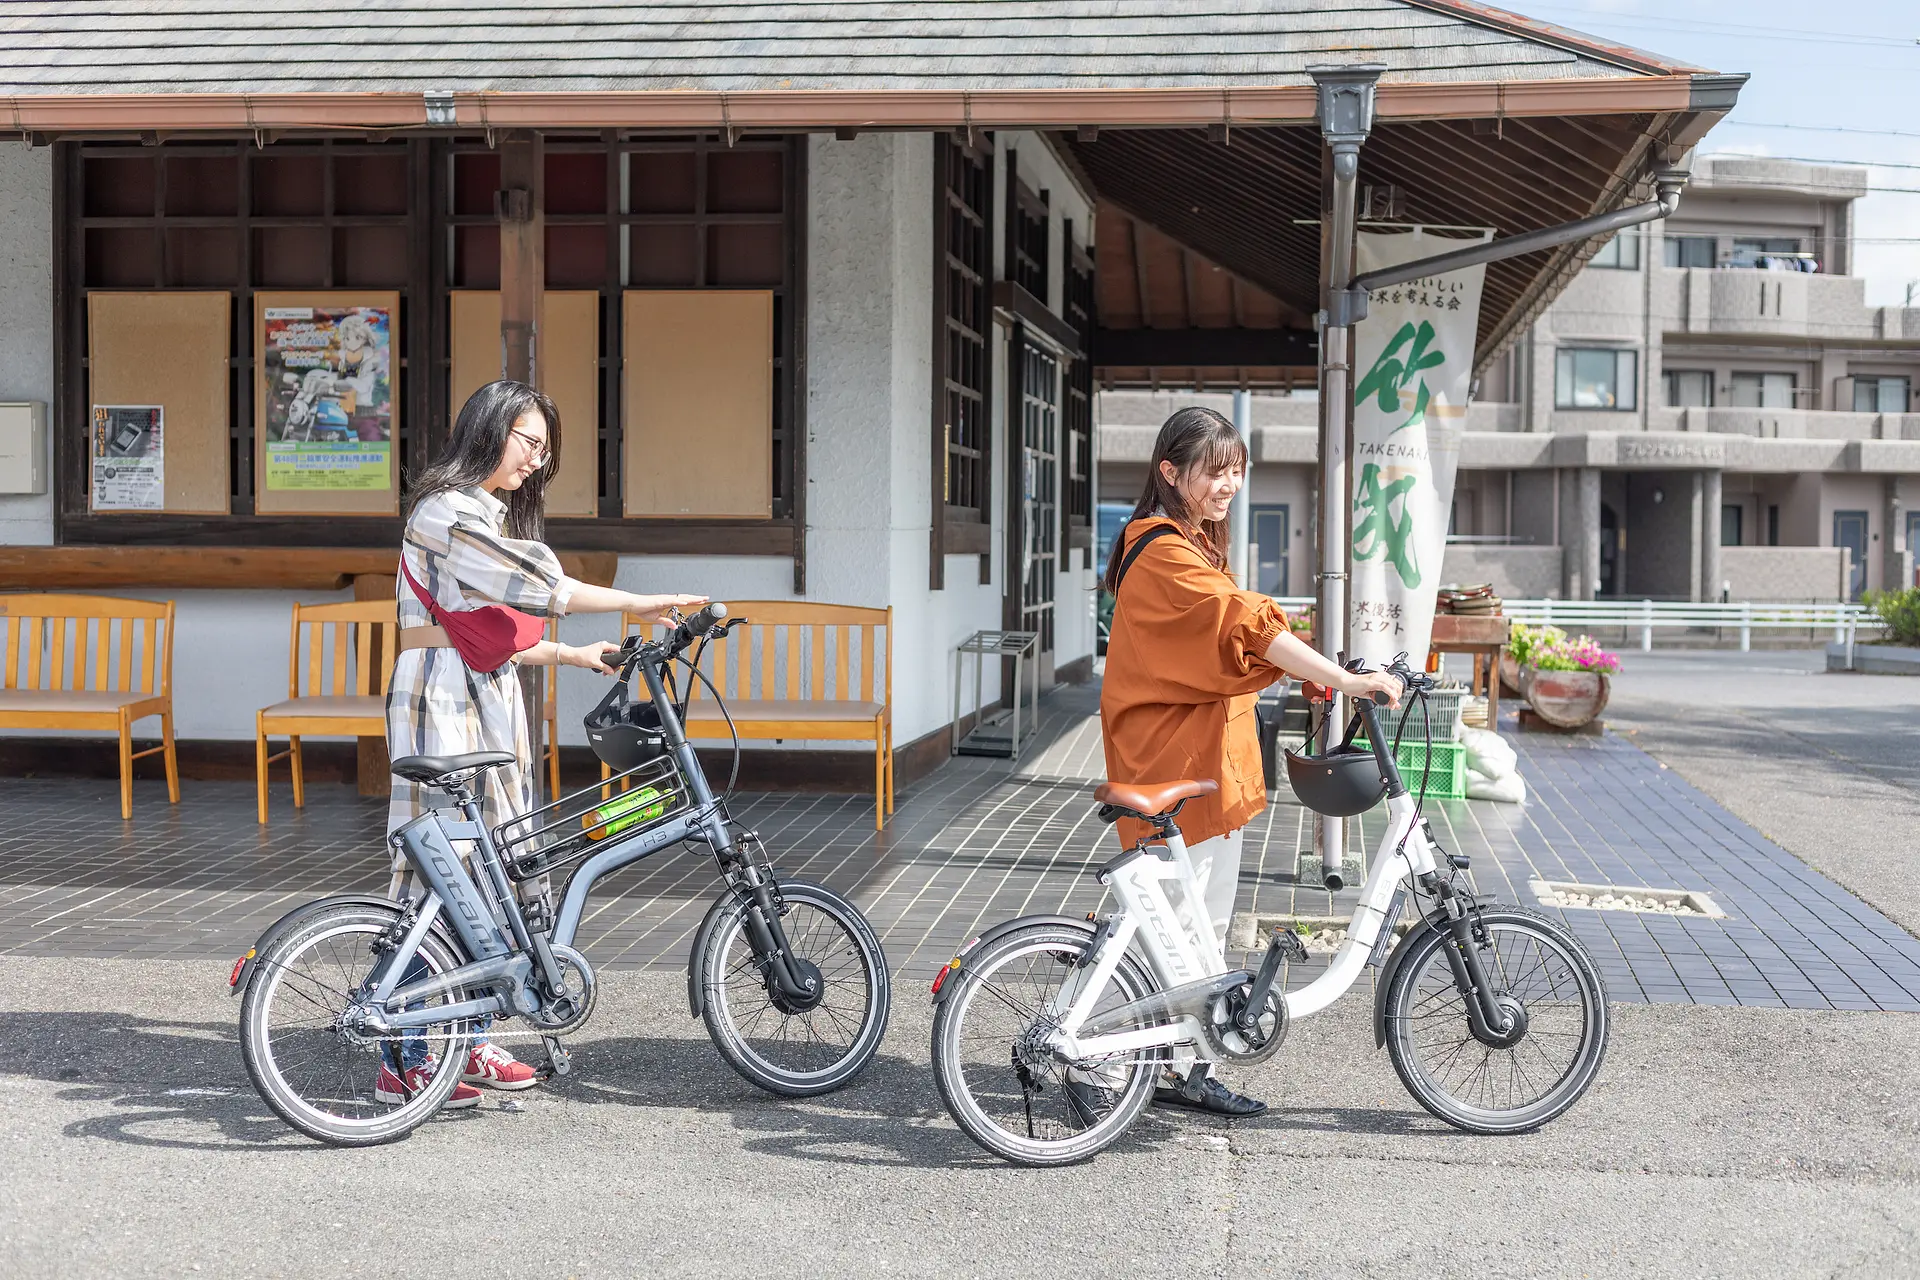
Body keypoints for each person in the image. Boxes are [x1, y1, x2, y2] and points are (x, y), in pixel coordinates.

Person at [379, 379, 705, 1108]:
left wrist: (575, 655)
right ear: (489, 431)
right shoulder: (447, 511)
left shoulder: (475, 518)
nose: (536, 460)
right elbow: (535, 586)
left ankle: (464, 1040)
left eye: (544, 450)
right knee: (444, 870)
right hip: (441, 698)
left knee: (491, 867)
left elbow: (486, 629)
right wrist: (637, 602)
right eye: (530, 442)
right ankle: (402, 1057)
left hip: (474, 688)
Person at [1098, 406, 1400, 1118]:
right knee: (1165, 922)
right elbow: (1245, 625)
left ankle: (1178, 1069)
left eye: (1237, 471)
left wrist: (1318, 668)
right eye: (1216, 471)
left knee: (1195, 921)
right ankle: (1101, 1069)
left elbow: (1236, 627)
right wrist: (1348, 679)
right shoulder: (1165, 549)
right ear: (1170, 473)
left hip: (1202, 757)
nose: (1230, 484)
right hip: (1177, 758)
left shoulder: (1190, 543)